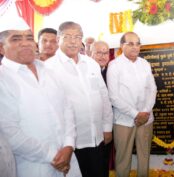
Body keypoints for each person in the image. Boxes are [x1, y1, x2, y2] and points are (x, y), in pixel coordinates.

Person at [0, 17, 81, 177]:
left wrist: (69, 145)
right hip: (32, 166)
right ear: (2, 48)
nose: (25, 43)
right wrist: (53, 156)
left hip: (68, 159)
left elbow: (67, 109)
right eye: (16, 39)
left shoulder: (48, 71)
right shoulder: (3, 80)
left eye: (29, 38)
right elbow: (9, 132)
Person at [46, 21, 113, 177]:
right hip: (70, 144)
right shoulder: (49, 68)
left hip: (97, 137)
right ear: (58, 39)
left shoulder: (91, 64)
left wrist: (107, 127)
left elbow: (103, 96)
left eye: (77, 37)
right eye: (67, 36)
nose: (73, 41)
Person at [107, 32, 157, 177]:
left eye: (137, 43)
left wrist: (145, 111)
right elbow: (114, 96)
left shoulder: (145, 63)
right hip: (124, 120)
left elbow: (152, 89)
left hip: (146, 119)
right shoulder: (114, 65)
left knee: (144, 156)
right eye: (130, 43)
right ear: (122, 46)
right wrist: (136, 114)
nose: (135, 47)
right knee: (123, 158)